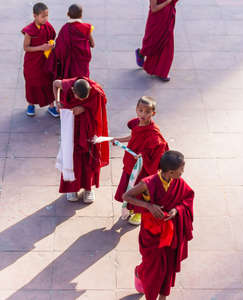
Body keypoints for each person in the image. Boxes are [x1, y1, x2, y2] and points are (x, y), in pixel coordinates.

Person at [123, 151, 194, 300]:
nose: (183, 172)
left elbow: (187, 198)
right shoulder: (148, 183)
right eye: (181, 169)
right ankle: (141, 274)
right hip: (152, 233)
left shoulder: (178, 182)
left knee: (167, 268)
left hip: (170, 232)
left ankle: (162, 297)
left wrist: (177, 210)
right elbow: (127, 196)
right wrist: (148, 206)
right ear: (171, 172)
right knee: (153, 270)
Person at [113, 96, 169, 225]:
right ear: (136, 110)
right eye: (140, 110)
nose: (143, 114)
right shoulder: (136, 124)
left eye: (147, 112)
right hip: (130, 165)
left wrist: (143, 156)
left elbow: (158, 151)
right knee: (128, 187)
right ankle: (132, 209)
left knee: (139, 190)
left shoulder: (154, 134)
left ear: (153, 113)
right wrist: (118, 140)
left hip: (143, 168)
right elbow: (132, 136)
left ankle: (139, 213)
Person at [53, 77, 109, 203]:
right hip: (71, 127)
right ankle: (72, 188)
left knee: (88, 157)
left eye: (84, 99)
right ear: (73, 90)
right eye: (79, 98)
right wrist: (57, 101)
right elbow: (54, 84)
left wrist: (84, 108)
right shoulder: (67, 85)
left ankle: (88, 189)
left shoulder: (95, 91)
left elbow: (99, 108)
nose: (81, 101)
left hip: (89, 129)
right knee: (71, 157)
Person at [21, 2, 59, 118]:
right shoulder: (30, 31)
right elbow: (26, 47)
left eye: (47, 16)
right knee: (32, 83)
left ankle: (51, 106)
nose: (45, 19)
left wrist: (50, 45)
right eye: (43, 16)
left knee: (48, 82)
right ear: (35, 16)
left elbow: (52, 37)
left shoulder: (48, 26)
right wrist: (41, 48)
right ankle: (31, 105)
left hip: (45, 60)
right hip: (32, 63)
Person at [135, 0, 177, 82]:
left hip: (168, 18)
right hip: (156, 21)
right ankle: (141, 53)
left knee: (167, 47)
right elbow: (154, 9)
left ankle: (162, 72)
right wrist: (168, 1)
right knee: (151, 44)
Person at [50, 4, 95, 79]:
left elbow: (59, 48)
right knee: (82, 81)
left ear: (68, 14)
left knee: (70, 81)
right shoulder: (86, 27)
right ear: (81, 15)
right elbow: (92, 44)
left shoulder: (65, 29)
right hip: (82, 64)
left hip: (69, 64)